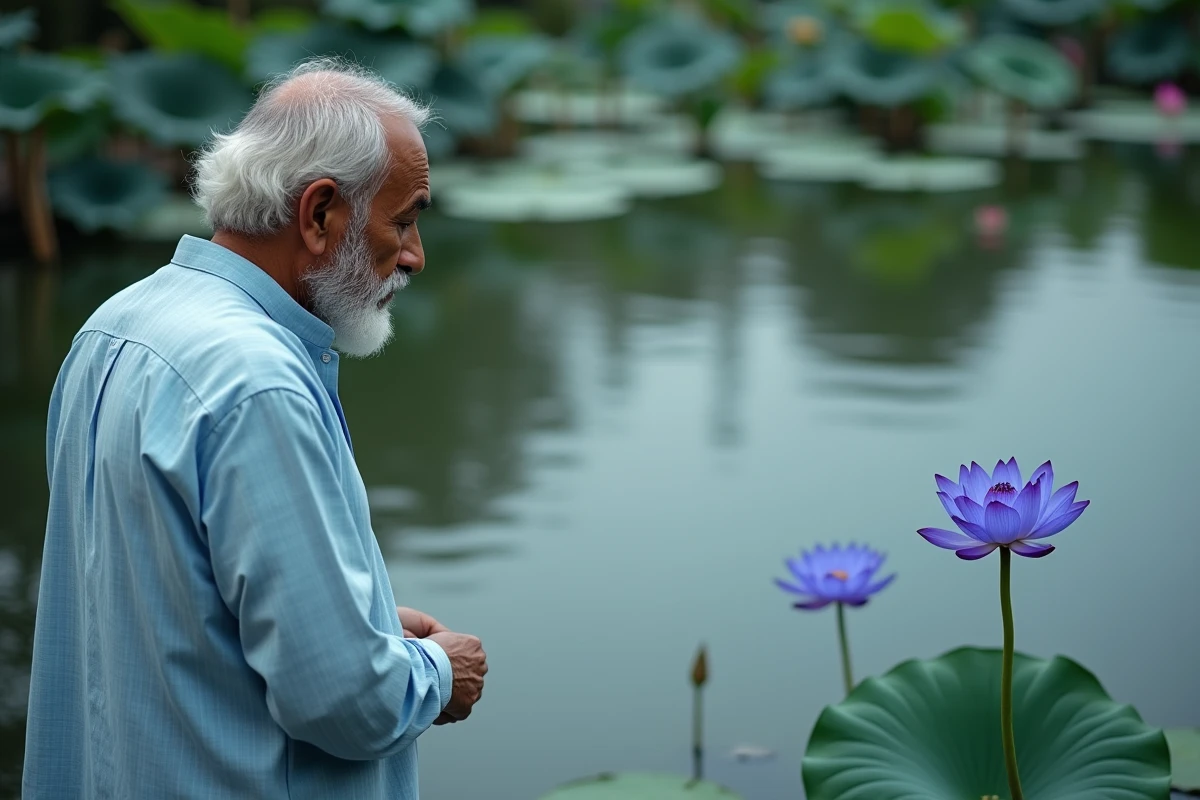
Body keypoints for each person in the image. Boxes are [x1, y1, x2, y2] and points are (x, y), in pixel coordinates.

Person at [23, 59, 488, 799]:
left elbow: (156, 593)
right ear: (320, 214)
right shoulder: (258, 381)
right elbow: (344, 702)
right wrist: (441, 672)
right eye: (403, 220)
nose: (414, 256)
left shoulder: (112, 328)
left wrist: (349, 616)